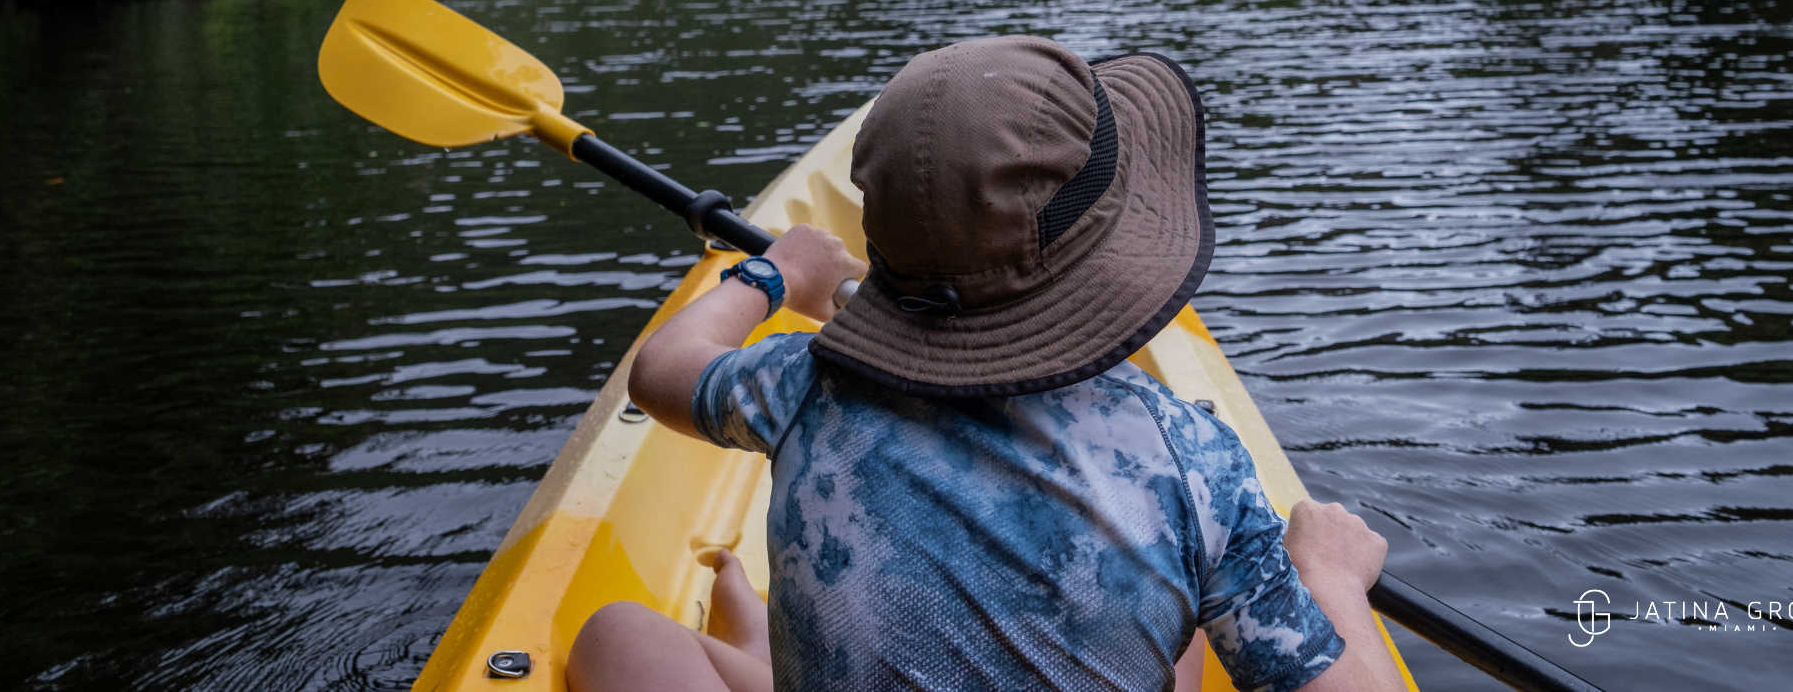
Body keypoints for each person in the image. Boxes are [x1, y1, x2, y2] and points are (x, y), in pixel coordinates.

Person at [569, 36, 1408, 692]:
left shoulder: (805, 382)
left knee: (617, 632)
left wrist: (776, 273)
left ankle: (766, 656)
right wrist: (1328, 574)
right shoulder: (1195, 464)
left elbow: (664, 367)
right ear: (1121, 254)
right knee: (1180, 615)